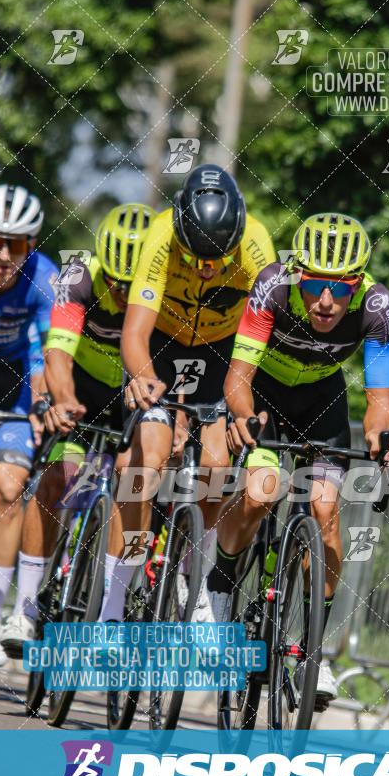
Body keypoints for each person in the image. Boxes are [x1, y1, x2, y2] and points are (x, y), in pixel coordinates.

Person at [212, 212, 389, 702]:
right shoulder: (272, 286)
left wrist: (384, 436)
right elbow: (237, 377)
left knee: (324, 513)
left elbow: (379, 399)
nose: (326, 300)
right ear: (299, 274)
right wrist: (242, 416)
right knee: (260, 493)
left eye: (340, 289)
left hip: (322, 401)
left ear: (359, 285)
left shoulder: (378, 306)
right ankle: (220, 581)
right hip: (264, 397)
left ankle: (311, 653)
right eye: (316, 284)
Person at [120, 164, 276, 623]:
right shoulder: (161, 235)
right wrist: (146, 380)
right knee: (149, 459)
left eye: (216, 260)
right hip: (162, 346)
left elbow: (262, 338)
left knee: (215, 466)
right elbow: (133, 335)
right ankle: (120, 586)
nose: (206, 270)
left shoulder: (255, 247)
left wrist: (242, 407)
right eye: (194, 259)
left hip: (221, 350)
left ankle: (192, 575)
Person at [0, 204, 156, 658]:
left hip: (133, 391)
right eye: (116, 284)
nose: (125, 294)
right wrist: (63, 399)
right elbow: (58, 353)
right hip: (82, 386)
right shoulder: (78, 278)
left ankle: (115, 606)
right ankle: (24, 608)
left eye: (135, 285)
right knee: (58, 478)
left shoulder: (163, 290)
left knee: (139, 479)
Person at [0, 184, 55, 666]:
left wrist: (40, 408)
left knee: (9, 488)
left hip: (12, 386)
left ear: (30, 245)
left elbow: (45, 356)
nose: (3, 254)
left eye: (15, 244)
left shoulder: (43, 277)